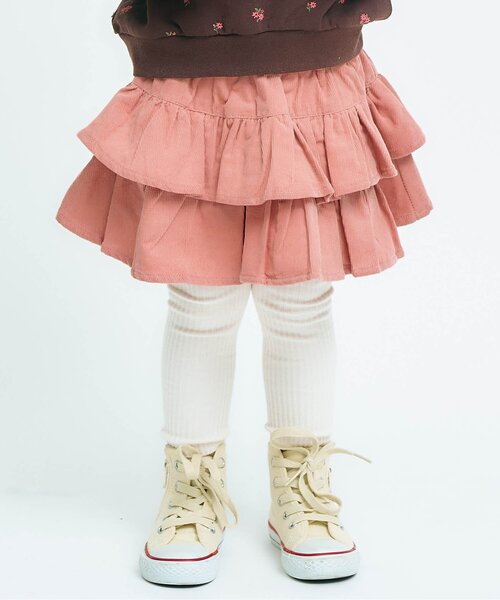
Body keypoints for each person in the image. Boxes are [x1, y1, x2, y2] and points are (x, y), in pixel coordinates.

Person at [55, 0, 432, 585]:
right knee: (200, 301)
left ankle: (301, 485)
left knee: (301, 302)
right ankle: (191, 486)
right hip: (194, 62)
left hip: (312, 60)